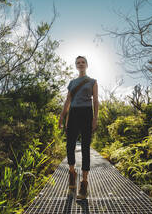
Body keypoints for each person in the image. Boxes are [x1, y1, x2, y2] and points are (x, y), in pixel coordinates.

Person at [58, 56, 99, 199]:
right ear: (76, 66)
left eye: (83, 62)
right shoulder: (72, 83)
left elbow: (96, 101)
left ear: (87, 65)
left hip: (87, 114)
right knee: (69, 145)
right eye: (78, 63)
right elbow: (68, 101)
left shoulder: (93, 82)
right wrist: (62, 116)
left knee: (86, 147)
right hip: (74, 114)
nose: (80, 64)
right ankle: (72, 172)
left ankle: (84, 182)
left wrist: (95, 118)